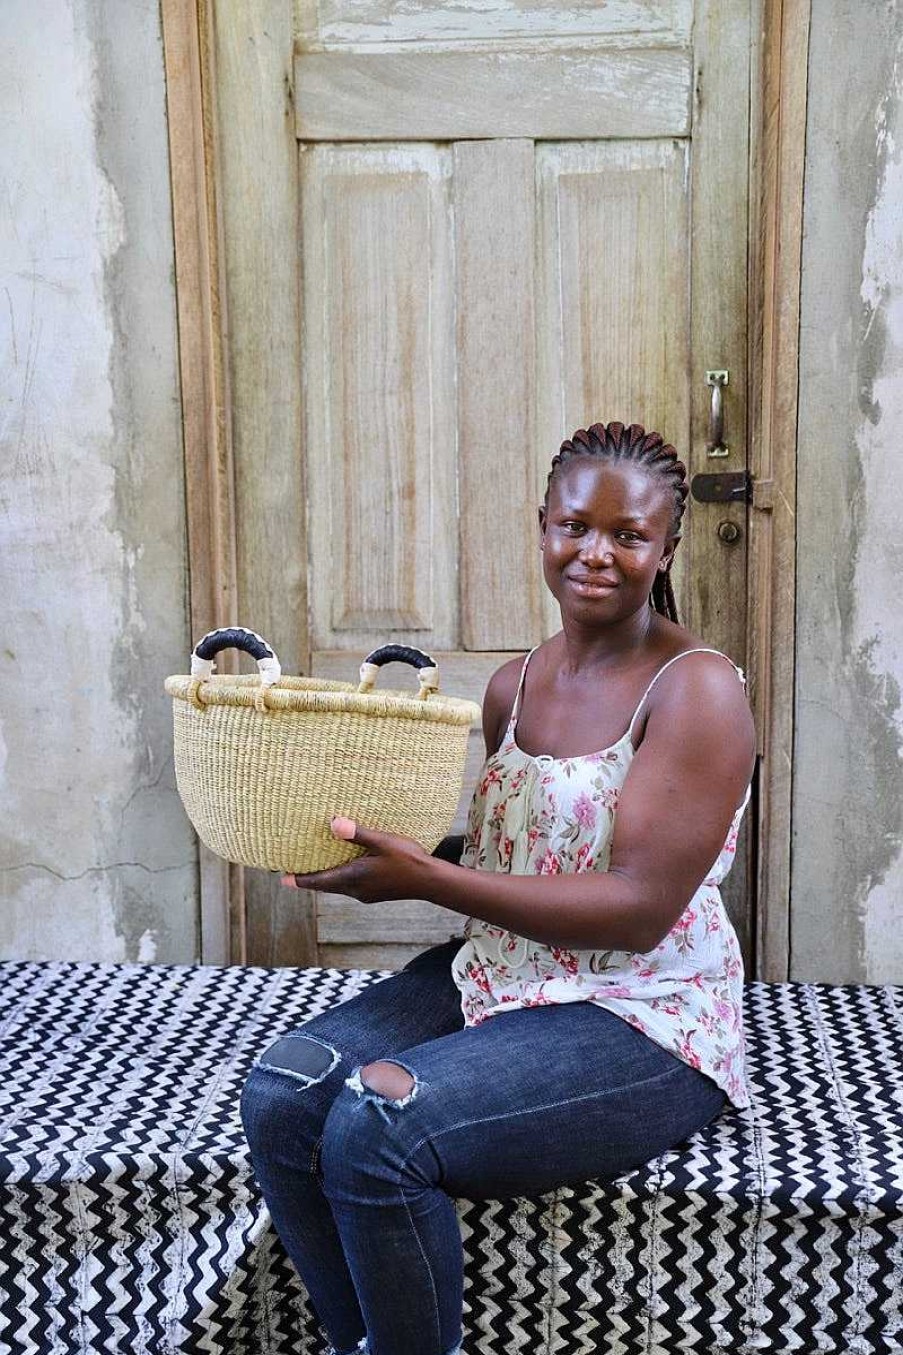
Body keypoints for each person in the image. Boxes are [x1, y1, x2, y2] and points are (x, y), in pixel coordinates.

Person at [240, 419, 757, 1355]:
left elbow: (638, 908)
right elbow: (516, 850)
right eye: (573, 526)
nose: (594, 553)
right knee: (283, 1091)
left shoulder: (697, 690)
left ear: (666, 547)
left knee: (379, 1122)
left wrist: (426, 879)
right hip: (501, 973)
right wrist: (375, 851)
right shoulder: (512, 685)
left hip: (641, 1012)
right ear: (542, 527)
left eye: (628, 535)